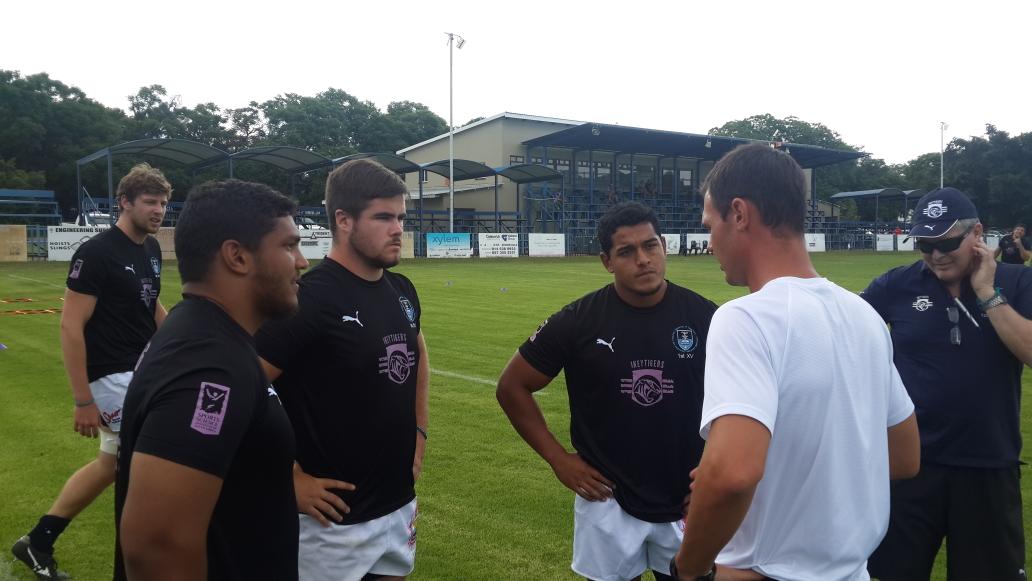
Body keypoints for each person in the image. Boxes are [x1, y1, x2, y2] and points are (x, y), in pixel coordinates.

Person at [671, 143, 919, 581]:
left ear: (740, 214)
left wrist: (689, 568)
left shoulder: (745, 318)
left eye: (711, 226)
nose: (709, 243)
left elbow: (733, 473)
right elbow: (903, 456)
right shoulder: (864, 316)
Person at [497, 201, 718, 581]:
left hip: (688, 499)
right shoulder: (577, 321)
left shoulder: (707, 318)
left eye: (650, 246)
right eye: (626, 252)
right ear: (606, 261)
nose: (643, 260)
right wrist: (558, 460)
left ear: (664, 246)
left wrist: (713, 476)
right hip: (607, 500)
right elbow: (512, 387)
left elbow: (736, 409)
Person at [114, 179, 308, 580]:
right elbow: (156, 544)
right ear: (237, 256)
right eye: (289, 246)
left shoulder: (206, 336)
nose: (303, 261)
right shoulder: (209, 363)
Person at [256, 158, 429, 581]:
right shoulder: (309, 299)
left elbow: (418, 356)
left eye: (401, 217)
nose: (397, 229)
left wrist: (419, 433)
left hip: (396, 503)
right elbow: (241, 385)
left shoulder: (401, 289)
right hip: (331, 523)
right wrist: (287, 477)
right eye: (384, 217)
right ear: (344, 220)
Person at [11, 163, 171, 580]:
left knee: (110, 464)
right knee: (155, 461)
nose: (159, 210)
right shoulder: (97, 252)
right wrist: (83, 399)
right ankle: (153, 558)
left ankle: (38, 542)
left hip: (140, 372)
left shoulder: (151, 250)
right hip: (109, 377)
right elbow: (70, 325)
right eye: (150, 202)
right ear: (124, 202)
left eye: (164, 202)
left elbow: (150, 306)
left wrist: (188, 339)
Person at [863, 188, 1032, 581]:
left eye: (947, 243)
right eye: (925, 244)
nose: (936, 255)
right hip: (908, 466)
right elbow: (842, 332)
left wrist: (988, 293)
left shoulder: (1016, 282)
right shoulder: (896, 285)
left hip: (988, 464)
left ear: (978, 234)